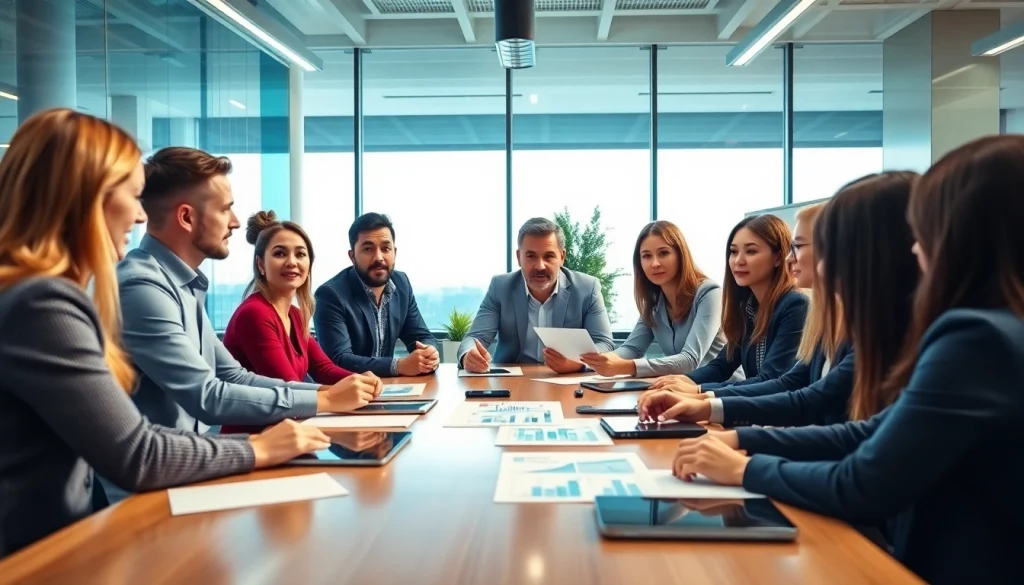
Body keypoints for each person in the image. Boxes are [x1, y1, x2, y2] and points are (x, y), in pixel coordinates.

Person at [668, 135, 1024, 585]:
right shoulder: (992, 327)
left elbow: (866, 482)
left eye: (925, 233)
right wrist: (740, 439)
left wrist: (744, 468)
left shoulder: (975, 339)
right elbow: (872, 432)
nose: (918, 249)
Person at [0, 109, 331, 558]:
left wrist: (308, 410)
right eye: (131, 195)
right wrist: (258, 448)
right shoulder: (43, 304)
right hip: (43, 557)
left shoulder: (42, 295)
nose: (140, 215)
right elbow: (137, 452)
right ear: (87, 199)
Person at [118, 147, 381, 436]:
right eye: (224, 209)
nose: (235, 222)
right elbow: (207, 396)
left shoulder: (184, 287)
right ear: (186, 218)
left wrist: (330, 393)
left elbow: (234, 376)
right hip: (168, 462)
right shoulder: (143, 288)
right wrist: (327, 399)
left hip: (196, 451)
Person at [640, 172, 919, 428]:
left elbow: (799, 395)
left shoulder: (800, 307)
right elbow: (789, 384)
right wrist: (696, 395)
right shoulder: (756, 309)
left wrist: (703, 399)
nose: (738, 261)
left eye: (799, 247)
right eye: (734, 252)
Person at [222, 211, 357, 433]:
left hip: (292, 429)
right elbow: (289, 388)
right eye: (280, 253)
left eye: (301, 254)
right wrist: (342, 392)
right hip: (256, 439)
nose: (292, 262)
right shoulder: (254, 314)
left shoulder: (295, 314)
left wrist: (360, 381)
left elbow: (323, 368)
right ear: (261, 264)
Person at [652, 215, 807, 390]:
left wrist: (698, 390)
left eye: (751, 251)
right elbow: (721, 366)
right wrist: (683, 380)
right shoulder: (749, 308)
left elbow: (770, 379)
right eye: (733, 252)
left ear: (778, 257)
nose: (738, 260)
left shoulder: (796, 306)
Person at [458, 218, 615, 374]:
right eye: (531, 256)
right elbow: (474, 338)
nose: (540, 266)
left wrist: (577, 363)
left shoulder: (587, 288)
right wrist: (469, 355)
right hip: (513, 380)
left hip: (567, 380)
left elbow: (605, 344)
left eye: (549, 256)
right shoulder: (500, 287)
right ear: (519, 257)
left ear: (562, 257)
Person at [578, 221, 725, 377]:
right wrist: (599, 360)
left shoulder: (710, 294)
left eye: (664, 253)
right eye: (647, 256)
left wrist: (626, 367)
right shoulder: (654, 303)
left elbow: (690, 360)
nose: (655, 263)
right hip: (681, 386)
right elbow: (632, 348)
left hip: (721, 388)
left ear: (680, 255)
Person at [314, 212, 439, 378]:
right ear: (352, 256)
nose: (379, 257)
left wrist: (429, 353)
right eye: (368, 249)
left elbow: (421, 336)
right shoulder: (330, 295)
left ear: (394, 252)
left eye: (386, 249)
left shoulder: (401, 284)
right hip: (346, 389)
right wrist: (398, 366)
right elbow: (339, 359)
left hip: (388, 388)